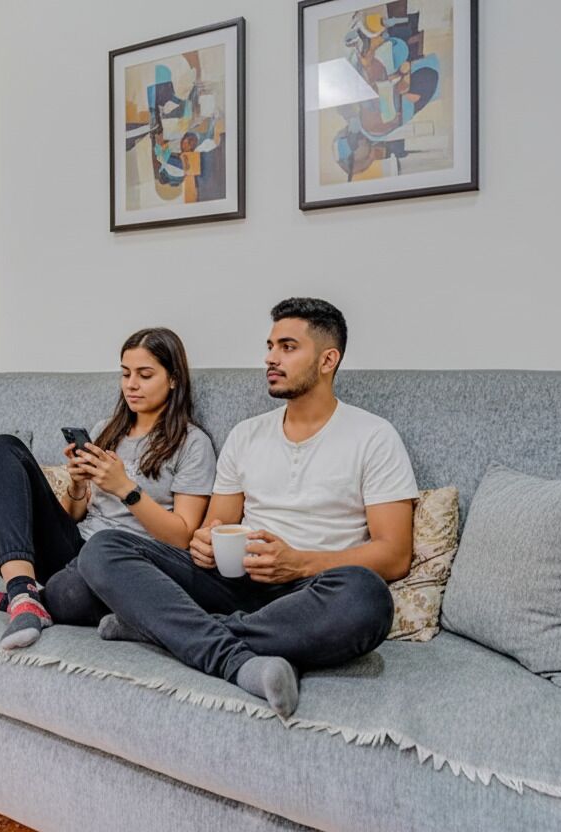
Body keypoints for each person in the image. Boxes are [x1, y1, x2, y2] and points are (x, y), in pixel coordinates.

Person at [78, 298, 418, 718]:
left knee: (367, 598)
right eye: (271, 345)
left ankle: (163, 630)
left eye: (288, 347)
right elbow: (217, 522)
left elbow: (395, 554)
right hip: (232, 581)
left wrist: (297, 564)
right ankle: (232, 656)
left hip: (310, 590)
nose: (270, 358)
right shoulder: (247, 434)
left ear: (328, 359)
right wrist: (205, 541)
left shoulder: (373, 437)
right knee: (104, 548)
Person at [0, 327, 217, 650]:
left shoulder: (193, 444)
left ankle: (25, 599)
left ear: (173, 378)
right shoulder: (106, 430)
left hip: (124, 563)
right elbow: (74, 515)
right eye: (126, 373)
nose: (131, 385)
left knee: (68, 592)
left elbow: (182, 537)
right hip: (77, 544)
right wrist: (77, 483)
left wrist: (126, 490)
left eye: (145, 375)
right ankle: (22, 592)